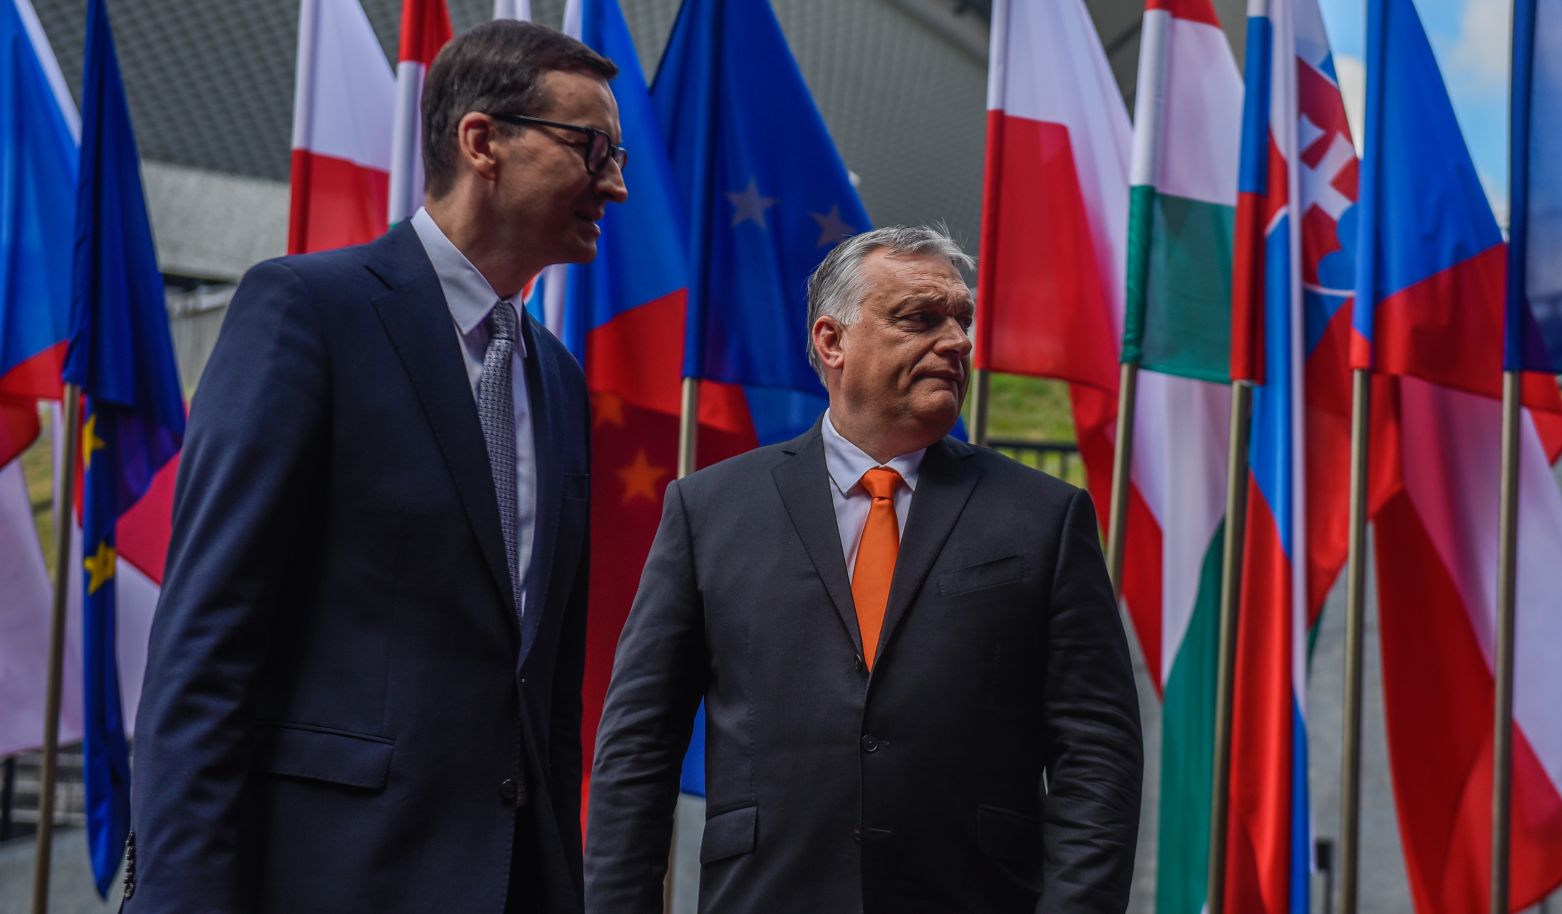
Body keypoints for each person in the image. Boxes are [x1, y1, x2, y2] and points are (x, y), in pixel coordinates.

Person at [124, 21, 626, 914]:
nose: (615, 184)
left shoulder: (557, 380)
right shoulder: (307, 313)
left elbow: (542, 695)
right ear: (484, 143)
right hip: (327, 879)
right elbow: (205, 647)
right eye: (591, 149)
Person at [585, 225, 1144, 913]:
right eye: (921, 318)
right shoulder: (709, 511)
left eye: (962, 320)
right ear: (832, 341)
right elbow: (639, 747)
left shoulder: (1045, 517)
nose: (959, 342)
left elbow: (1098, 757)